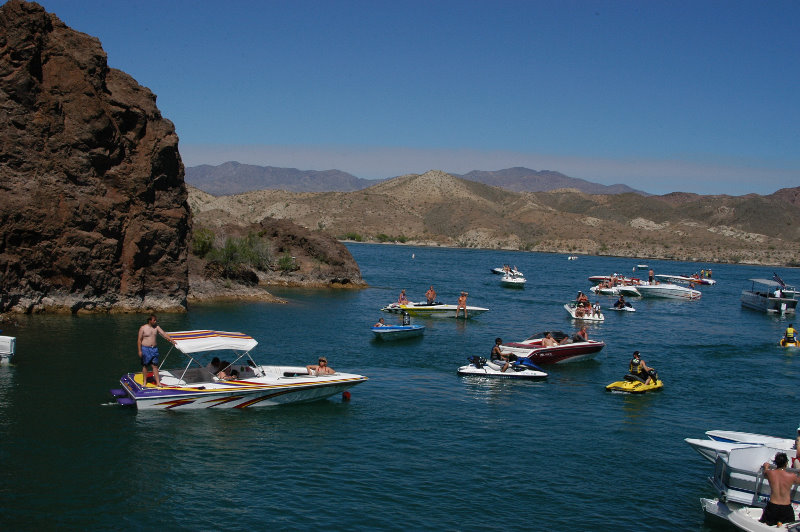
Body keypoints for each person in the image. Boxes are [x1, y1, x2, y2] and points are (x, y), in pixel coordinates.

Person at [760, 452, 800, 526]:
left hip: (772, 506)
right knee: (789, 527)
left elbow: (764, 473)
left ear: (776, 462)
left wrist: (766, 467)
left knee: (766, 526)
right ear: (786, 463)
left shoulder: (770, 473)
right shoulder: (792, 476)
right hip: (786, 508)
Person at [137, 313, 176, 387]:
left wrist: (171, 340)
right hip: (145, 349)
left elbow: (164, 334)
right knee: (145, 365)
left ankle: (158, 382)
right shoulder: (143, 328)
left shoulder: (157, 327)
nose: (155, 321)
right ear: (150, 320)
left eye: (156, 320)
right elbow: (139, 340)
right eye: (154, 320)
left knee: (155, 366)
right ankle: (144, 382)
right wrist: (139, 351)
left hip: (154, 349)